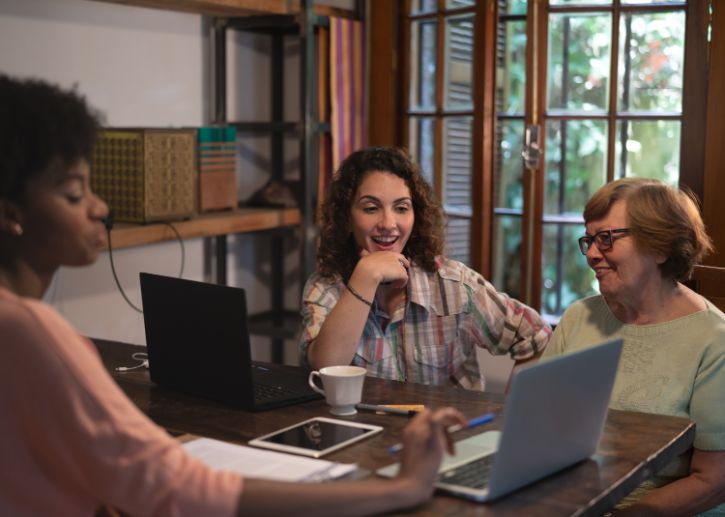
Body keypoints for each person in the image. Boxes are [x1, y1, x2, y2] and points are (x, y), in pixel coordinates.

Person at [0, 75, 468, 516]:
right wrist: (401, 488)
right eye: (74, 194)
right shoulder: (30, 331)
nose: (101, 208)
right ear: (11, 213)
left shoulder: (455, 282)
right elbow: (171, 487)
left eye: (401, 207)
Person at [542, 177, 725, 515]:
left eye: (607, 239)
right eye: (590, 240)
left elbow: (713, 479)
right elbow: (540, 423)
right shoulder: (579, 317)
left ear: (660, 246)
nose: (593, 254)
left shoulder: (714, 341)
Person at [300, 146, 551, 390]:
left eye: (401, 208)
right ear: (347, 216)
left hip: (449, 432)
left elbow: (536, 336)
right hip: (365, 431)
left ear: (416, 215)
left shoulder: (453, 284)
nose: (388, 223)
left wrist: (507, 415)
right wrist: (366, 276)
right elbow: (325, 368)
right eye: (371, 208)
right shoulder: (325, 287)